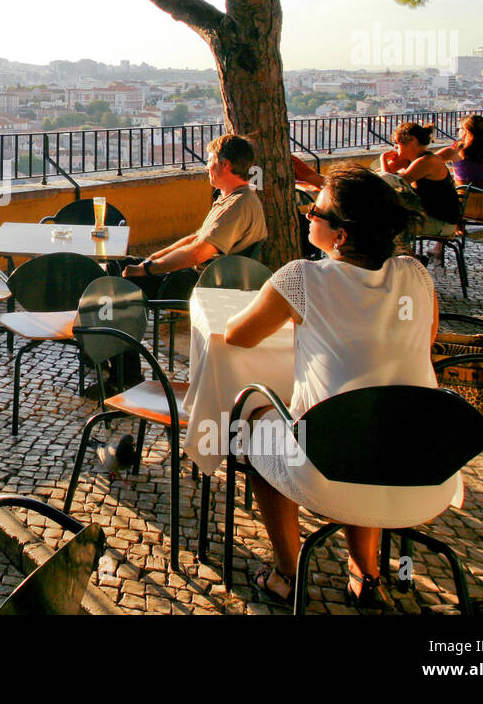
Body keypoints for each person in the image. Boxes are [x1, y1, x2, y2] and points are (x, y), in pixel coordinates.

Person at [224, 165, 458, 610]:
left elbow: (239, 335)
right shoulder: (416, 276)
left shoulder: (302, 278)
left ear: (341, 236)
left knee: (255, 421)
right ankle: (366, 573)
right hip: (424, 475)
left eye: (316, 210)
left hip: (328, 476)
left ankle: (287, 575)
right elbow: (421, 349)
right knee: (373, 417)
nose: (307, 215)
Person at [122, 134, 267, 296]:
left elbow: (198, 253)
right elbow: (197, 238)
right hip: (198, 277)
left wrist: (147, 269)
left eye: (210, 161)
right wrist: (154, 258)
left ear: (225, 165)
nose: (206, 167)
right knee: (120, 264)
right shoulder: (231, 199)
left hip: (200, 284)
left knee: (117, 277)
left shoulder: (237, 205)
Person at [377, 122, 458, 238]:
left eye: (397, 143)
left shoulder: (427, 161)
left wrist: (383, 158)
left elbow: (390, 181)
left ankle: (399, 252)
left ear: (413, 141)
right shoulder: (412, 160)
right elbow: (380, 174)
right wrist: (393, 164)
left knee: (383, 221)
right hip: (426, 216)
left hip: (441, 223)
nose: (395, 147)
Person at [435, 114, 483, 188]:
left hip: (464, 197)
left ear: (466, 131)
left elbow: (428, 162)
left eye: (460, 128)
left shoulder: (454, 152)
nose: (459, 131)